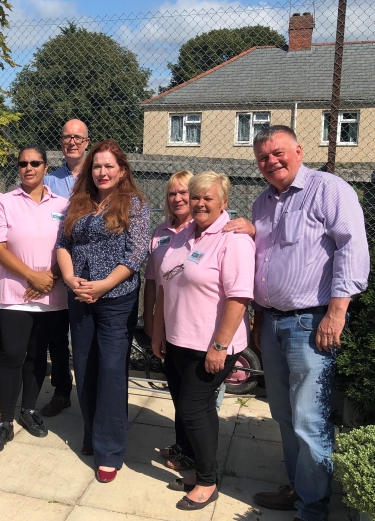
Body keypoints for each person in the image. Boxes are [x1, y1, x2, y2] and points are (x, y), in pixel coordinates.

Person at [249, 126, 369, 521]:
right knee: (283, 414)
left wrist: (337, 313)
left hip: (312, 322)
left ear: (299, 150)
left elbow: (351, 249)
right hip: (271, 322)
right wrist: (258, 316)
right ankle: (299, 488)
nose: (271, 162)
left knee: (309, 418)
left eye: (278, 152)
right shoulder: (263, 202)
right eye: (263, 157)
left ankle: (313, 509)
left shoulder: (329, 189)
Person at [151, 171, 255, 511]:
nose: (199, 203)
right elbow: (166, 284)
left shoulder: (232, 240)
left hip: (211, 346)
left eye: (207, 198)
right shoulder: (182, 237)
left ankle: (207, 481)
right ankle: (199, 470)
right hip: (178, 340)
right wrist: (158, 330)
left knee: (194, 411)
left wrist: (220, 347)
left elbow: (239, 298)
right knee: (192, 409)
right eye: (195, 197)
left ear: (224, 202)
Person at [56, 139, 150, 483]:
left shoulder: (134, 204)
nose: (102, 172)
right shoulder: (77, 202)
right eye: (97, 166)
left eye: (109, 166)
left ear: (122, 170)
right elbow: (63, 244)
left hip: (116, 298)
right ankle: (92, 434)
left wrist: (103, 285)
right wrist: (69, 278)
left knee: (111, 371)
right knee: (85, 366)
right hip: (79, 296)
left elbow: (135, 253)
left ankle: (109, 450)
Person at [0, 145, 69, 453]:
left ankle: (28, 410)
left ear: (46, 167)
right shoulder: (4, 202)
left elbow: (70, 246)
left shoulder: (64, 203)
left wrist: (51, 278)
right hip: (15, 293)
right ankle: (5, 423)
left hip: (52, 294)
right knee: (12, 357)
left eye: (35, 163)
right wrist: (33, 277)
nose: (28, 167)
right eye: (23, 163)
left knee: (37, 356)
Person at [141, 170, 196, 471]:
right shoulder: (160, 232)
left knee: (192, 395)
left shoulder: (202, 230)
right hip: (168, 321)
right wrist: (151, 319)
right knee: (176, 388)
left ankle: (192, 452)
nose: (177, 198)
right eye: (172, 193)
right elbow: (152, 280)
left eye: (184, 192)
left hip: (194, 324)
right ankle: (181, 444)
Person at [40, 118, 90, 417]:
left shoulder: (99, 174)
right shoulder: (49, 180)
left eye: (78, 137)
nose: (72, 142)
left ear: (87, 141)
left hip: (91, 268)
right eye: (66, 137)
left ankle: (90, 393)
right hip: (56, 269)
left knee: (87, 337)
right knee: (56, 337)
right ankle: (62, 391)